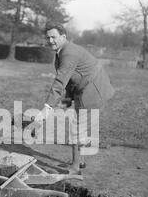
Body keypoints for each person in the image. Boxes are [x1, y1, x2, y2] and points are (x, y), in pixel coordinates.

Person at [36, 23, 115, 174]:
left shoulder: (68, 53)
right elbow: (71, 79)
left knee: (77, 127)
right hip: (84, 88)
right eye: (48, 38)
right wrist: (68, 100)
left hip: (93, 89)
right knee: (80, 126)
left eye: (54, 37)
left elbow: (60, 82)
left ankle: (75, 167)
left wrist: (47, 108)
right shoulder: (61, 53)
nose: (50, 41)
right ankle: (81, 161)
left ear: (63, 37)